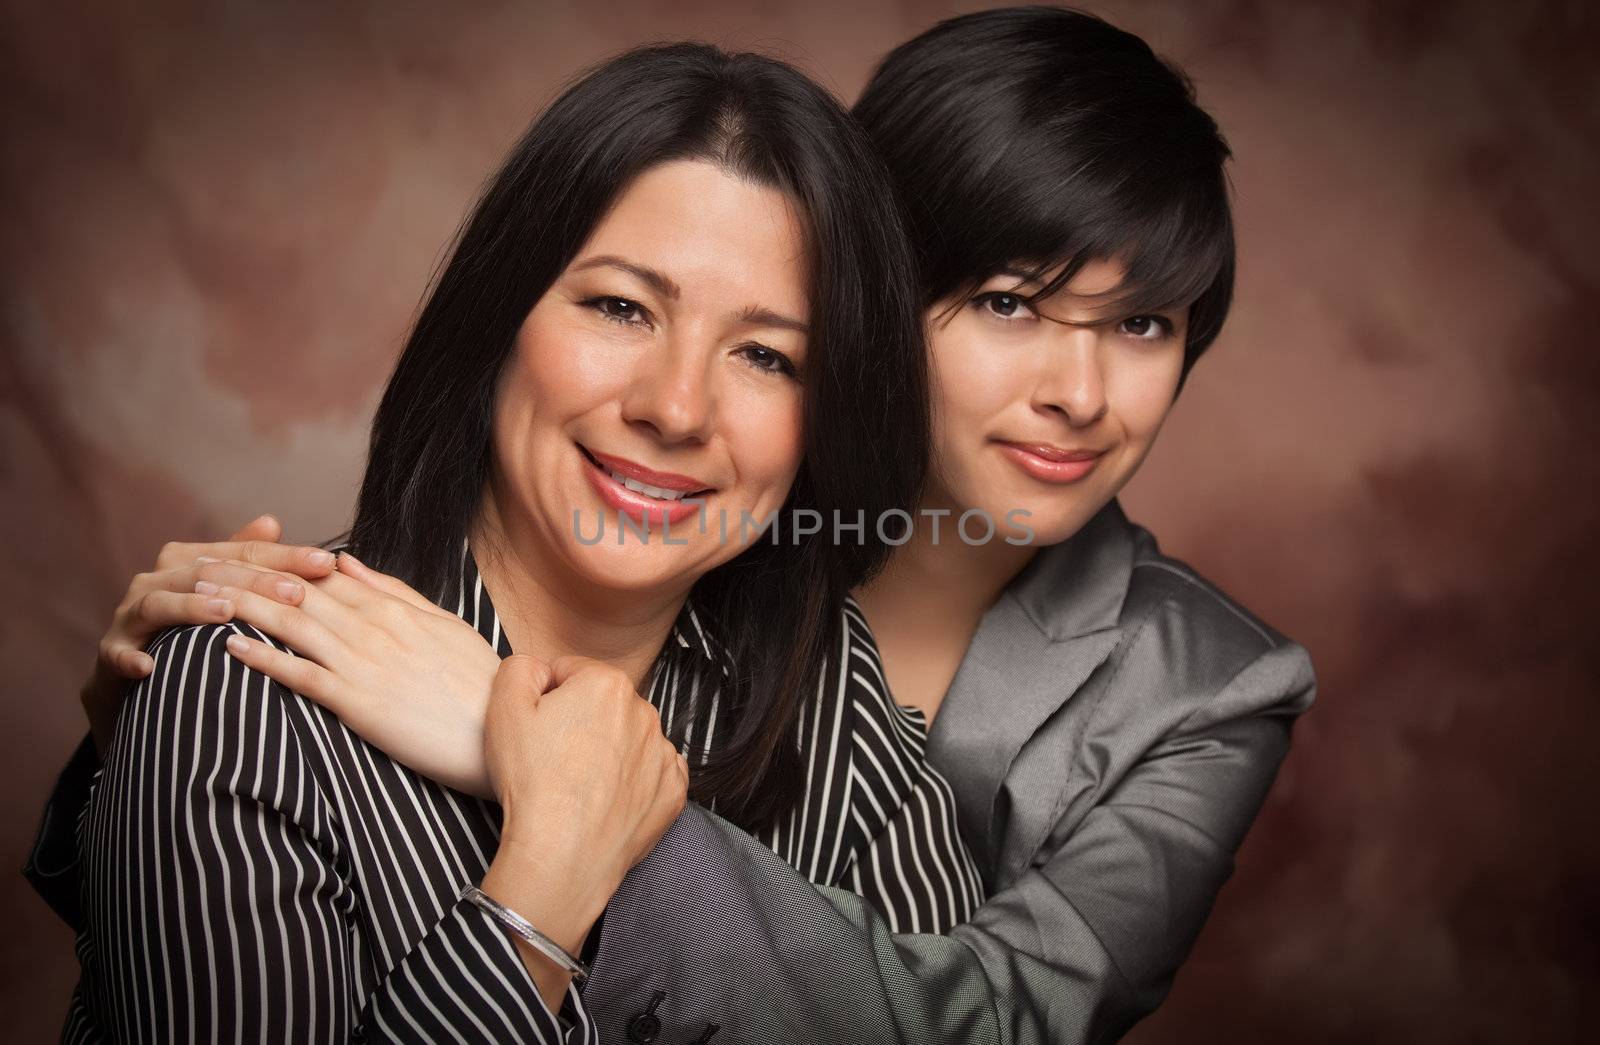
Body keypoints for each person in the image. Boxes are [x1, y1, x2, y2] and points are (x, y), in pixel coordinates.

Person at [32, 8, 1317, 1043]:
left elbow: (987, 1019)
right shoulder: (247, 694)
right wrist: (531, 900)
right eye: (620, 308)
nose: (676, 405)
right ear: (498, 321)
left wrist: (538, 761)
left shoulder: (839, 715)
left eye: (766, 353)